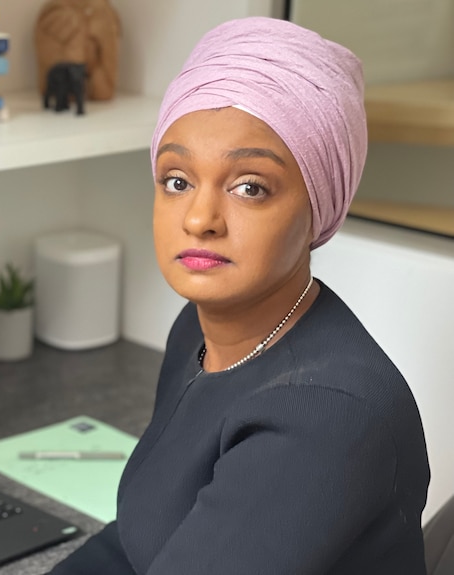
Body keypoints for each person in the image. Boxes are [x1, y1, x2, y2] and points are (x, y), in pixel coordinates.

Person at [47, 16, 430, 575]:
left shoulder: (325, 416)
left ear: (316, 206)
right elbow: (137, 539)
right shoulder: (197, 333)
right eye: (177, 180)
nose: (200, 219)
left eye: (250, 187)